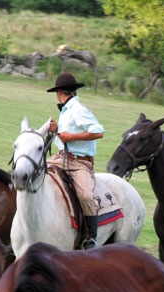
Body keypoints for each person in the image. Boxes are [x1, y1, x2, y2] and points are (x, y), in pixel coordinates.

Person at [46, 72, 104, 249]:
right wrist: (57, 131)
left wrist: (71, 136)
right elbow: (64, 138)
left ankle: (90, 238)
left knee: (86, 196)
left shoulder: (78, 110)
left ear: (60, 92)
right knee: (34, 173)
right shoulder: (66, 110)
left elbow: (98, 132)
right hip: (60, 158)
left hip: (80, 163)